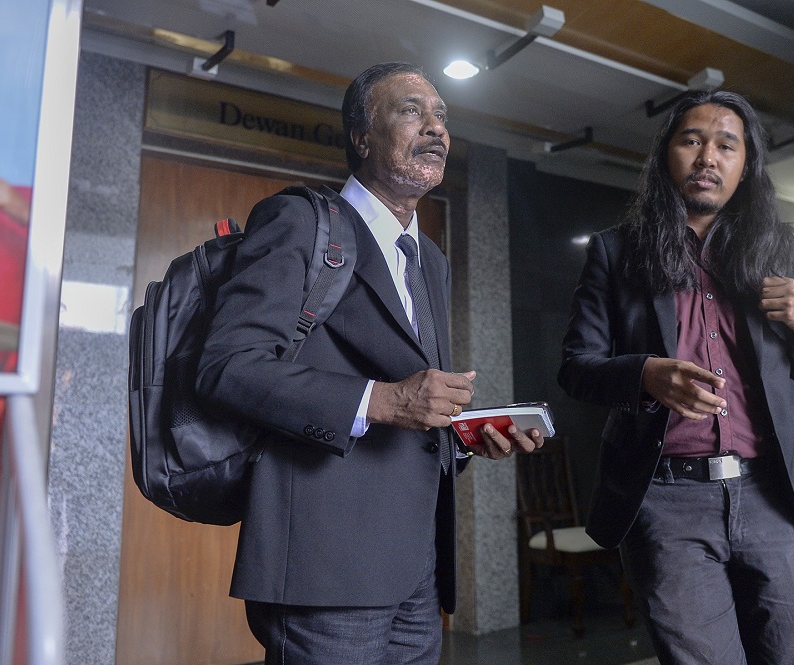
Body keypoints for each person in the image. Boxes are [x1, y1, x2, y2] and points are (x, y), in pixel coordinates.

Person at [196, 62, 543, 664]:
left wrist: (463, 434)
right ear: (361, 135)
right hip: (323, 564)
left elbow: (412, 401)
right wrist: (382, 400)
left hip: (416, 568)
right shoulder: (301, 221)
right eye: (411, 110)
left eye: (441, 116)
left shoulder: (430, 258)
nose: (435, 127)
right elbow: (229, 366)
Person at [558, 90, 794, 664]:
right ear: (667, 155)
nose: (707, 157)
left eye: (725, 145)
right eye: (691, 140)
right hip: (666, 498)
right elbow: (576, 369)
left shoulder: (778, 247)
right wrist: (645, 374)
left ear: (746, 165)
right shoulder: (617, 253)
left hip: (768, 491)